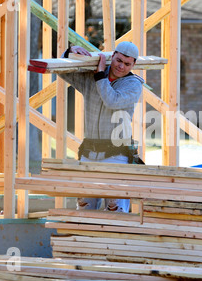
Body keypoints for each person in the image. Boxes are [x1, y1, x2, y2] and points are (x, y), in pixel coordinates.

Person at [59, 41, 144, 212]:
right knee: (84, 209)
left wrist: (99, 76)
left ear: (134, 64)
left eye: (127, 64)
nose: (121, 66)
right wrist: (69, 53)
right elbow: (63, 72)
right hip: (89, 153)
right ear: (112, 56)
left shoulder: (134, 84)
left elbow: (111, 100)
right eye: (118, 60)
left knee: (115, 212)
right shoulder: (93, 76)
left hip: (116, 155)